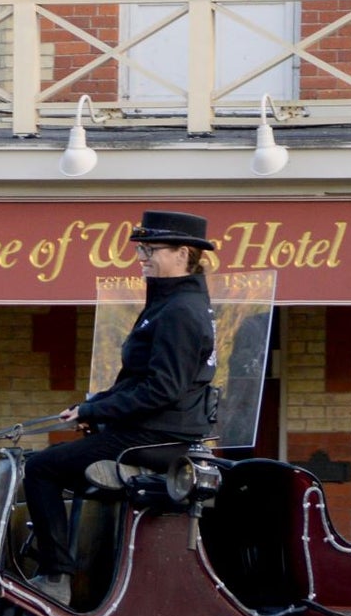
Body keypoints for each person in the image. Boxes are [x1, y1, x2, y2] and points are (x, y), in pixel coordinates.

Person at [22, 209, 219, 582]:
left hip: (155, 435)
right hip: (151, 429)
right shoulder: (172, 302)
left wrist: (98, 410)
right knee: (57, 462)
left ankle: (56, 577)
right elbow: (137, 379)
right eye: (140, 249)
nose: (142, 257)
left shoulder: (179, 310)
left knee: (40, 468)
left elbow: (163, 388)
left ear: (184, 253)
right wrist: (93, 409)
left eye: (151, 249)